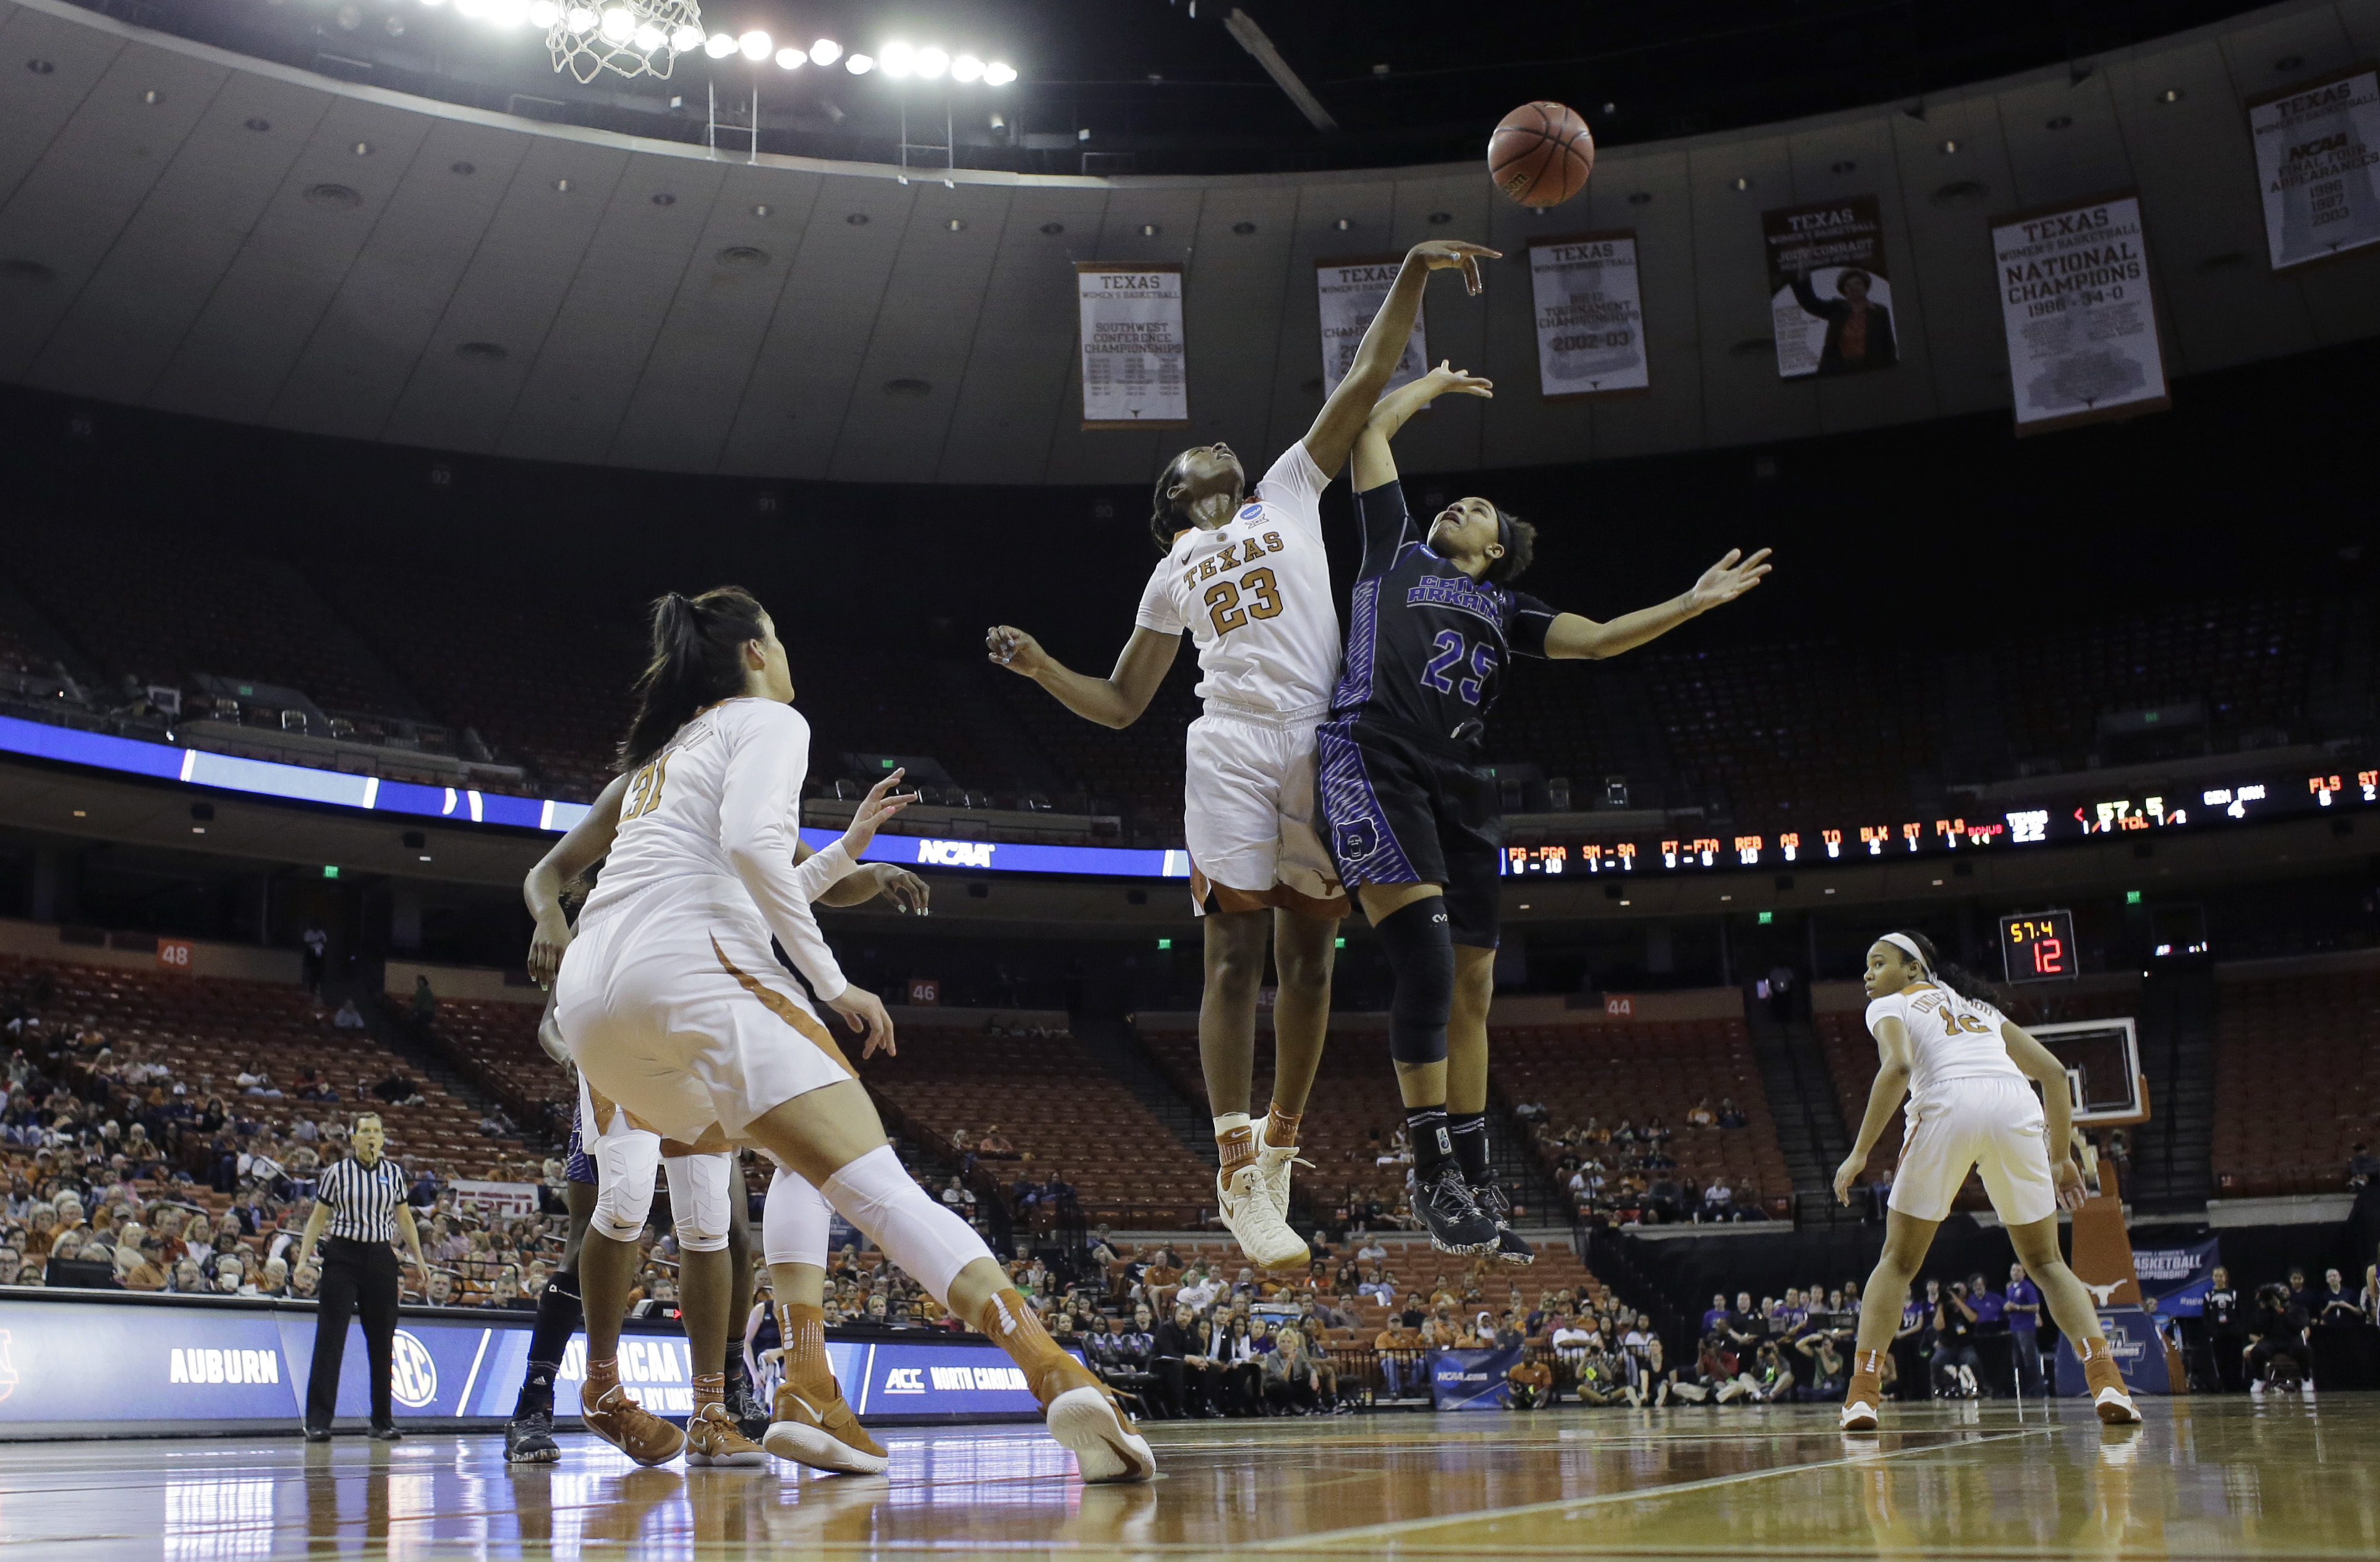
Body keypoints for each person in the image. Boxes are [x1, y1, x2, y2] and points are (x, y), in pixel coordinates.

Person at [537, 586, 1152, 1482]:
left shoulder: (667, 752)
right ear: (752, 651)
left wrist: (846, 852)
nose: (787, 655)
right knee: (879, 1185)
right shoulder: (771, 721)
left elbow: (739, 861)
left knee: (797, 1159)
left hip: (594, 1006)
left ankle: (808, 1386)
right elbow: (754, 850)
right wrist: (830, 980)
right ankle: (1051, 1365)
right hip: (693, 969)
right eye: (778, 637)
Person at [986, 237, 1497, 1274]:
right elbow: (1127, 702)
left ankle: (1280, 1148)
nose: (1212, 446)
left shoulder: (1287, 489)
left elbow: (1364, 378)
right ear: (1177, 499)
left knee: (1312, 961)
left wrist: (1409, 273)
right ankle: (1232, 1166)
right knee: (1235, 957)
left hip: (1325, 742)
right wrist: (1045, 669)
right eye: (1190, 458)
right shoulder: (1173, 569)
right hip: (1225, 748)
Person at [1326, 362, 1772, 1262]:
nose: (1459, 508)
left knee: (1475, 986)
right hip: (1372, 749)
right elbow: (1365, 434)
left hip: (1461, 780)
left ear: (1496, 548)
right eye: (1457, 503)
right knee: (1426, 956)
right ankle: (1431, 1172)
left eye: (1478, 509)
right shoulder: (1395, 548)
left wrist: (1690, 601)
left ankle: (1477, 1172)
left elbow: (1602, 639)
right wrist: (1426, 391)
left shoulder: (1509, 604)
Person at [1832, 931, 2141, 1429]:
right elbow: (2056, 1076)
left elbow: (1899, 1066)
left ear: (1914, 970)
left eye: (1878, 962)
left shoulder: (1890, 1005)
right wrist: (2061, 1159)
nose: (1868, 975)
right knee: (2045, 1261)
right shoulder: (1979, 1008)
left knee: (1897, 1262)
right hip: (2015, 1105)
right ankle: (2109, 1384)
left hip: (1948, 1103)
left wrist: (1860, 1151)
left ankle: (1863, 1396)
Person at [293, 1114, 428, 1441]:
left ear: (383, 1139)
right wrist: (301, 1260)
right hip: (343, 1256)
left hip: (381, 1257)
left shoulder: (394, 1174)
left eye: (377, 1131)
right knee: (331, 1337)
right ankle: (318, 1421)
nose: (372, 1136)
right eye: (365, 1131)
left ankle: (382, 1420)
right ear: (353, 1139)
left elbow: (405, 1219)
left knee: (383, 1341)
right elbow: (317, 1218)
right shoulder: (336, 1173)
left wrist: (420, 1260)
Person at [1788, 263, 1896, 373]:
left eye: (1858, 283)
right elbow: (1811, 304)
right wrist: (1803, 278)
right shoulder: (1837, 308)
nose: (1853, 288)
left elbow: (1888, 343)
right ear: (1844, 290)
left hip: (1872, 368)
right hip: (1838, 369)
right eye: (1848, 285)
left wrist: (1892, 370)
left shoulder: (1880, 311)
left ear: (1866, 287)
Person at [2005, 1260, 2046, 1397]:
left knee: (2029, 1360)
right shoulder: (2010, 1288)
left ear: (2024, 1273)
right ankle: (2023, 1390)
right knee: (2018, 1361)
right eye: (2013, 1271)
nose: (2015, 1273)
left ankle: (2035, 1391)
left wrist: (2017, 1307)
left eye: (2018, 1271)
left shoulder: (2028, 1287)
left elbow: (2036, 1306)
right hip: (2014, 1328)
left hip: (2026, 1328)